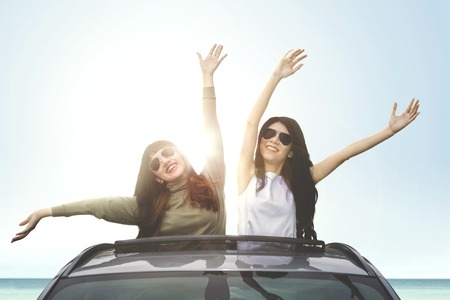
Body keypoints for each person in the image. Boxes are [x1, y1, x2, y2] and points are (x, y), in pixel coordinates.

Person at [11, 44, 228, 243]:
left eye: (167, 151)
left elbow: (210, 126)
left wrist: (207, 77)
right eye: (155, 164)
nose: (164, 161)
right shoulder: (148, 207)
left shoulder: (212, 181)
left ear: (180, 154)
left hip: (214, 281)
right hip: (169, 284)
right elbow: (98, 206)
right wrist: (44, 212)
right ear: (157, 178)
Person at [237, 48, 420, 240]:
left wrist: (389, 131)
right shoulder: (247, 175)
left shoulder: (299, 181)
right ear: (260, 141)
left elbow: (345, 153)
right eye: (269, 133)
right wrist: (276, 76)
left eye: (284, 138)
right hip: (248, 269)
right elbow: (251, 124)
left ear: (291, 151)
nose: (274, 139)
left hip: (286, 269)